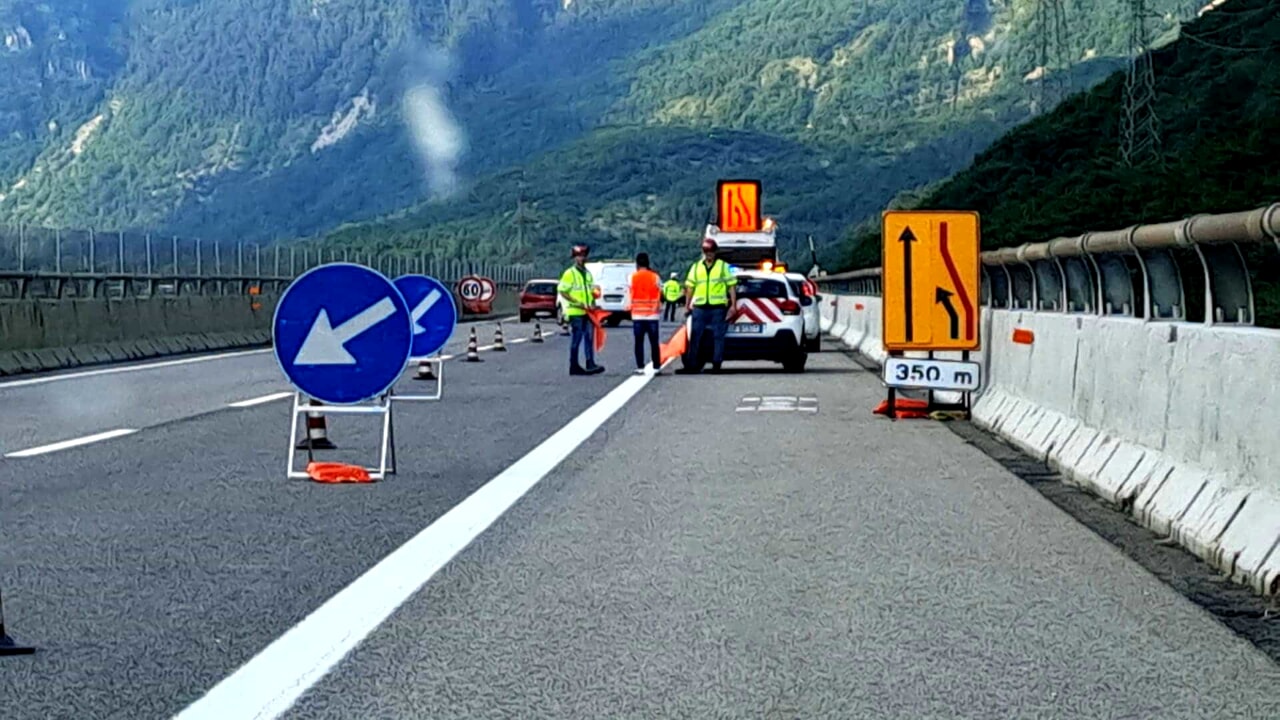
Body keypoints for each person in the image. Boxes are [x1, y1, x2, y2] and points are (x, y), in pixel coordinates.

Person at [677, 238, 737, 374]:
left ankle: (716, 365)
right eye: (706, 251)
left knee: (718, 336)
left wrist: (733, 305)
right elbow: (690, 287)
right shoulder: (696, 267)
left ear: (715, 252)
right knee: (695, 336)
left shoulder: (722, 266)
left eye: (711, 251)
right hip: (700, 307)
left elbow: (731, 286)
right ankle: (691, 365)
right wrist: (687, 305)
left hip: (718, 307)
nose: (708, 254)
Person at [557, 244, 605, 375]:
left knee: (589, 337)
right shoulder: (569, 273)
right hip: (576, 311)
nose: (581, 259)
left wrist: (594, 302)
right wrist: (576, 302)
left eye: (583, 256)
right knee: (576, 339)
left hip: (588, 311)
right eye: (579, 256)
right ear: (574, 258)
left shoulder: (588, 274)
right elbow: (562, 291)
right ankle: (574, 365)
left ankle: (590, 363)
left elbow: (591, 290)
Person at [628, 252, 663, 375]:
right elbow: (660, 291)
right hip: (652, 314)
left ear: (637, 263)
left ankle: (640, 366)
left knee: (639, 342)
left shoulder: (632, 277)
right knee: (654, 342)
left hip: (637, 314)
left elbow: (630, 293)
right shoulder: (655, 276)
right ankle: (656, 366)